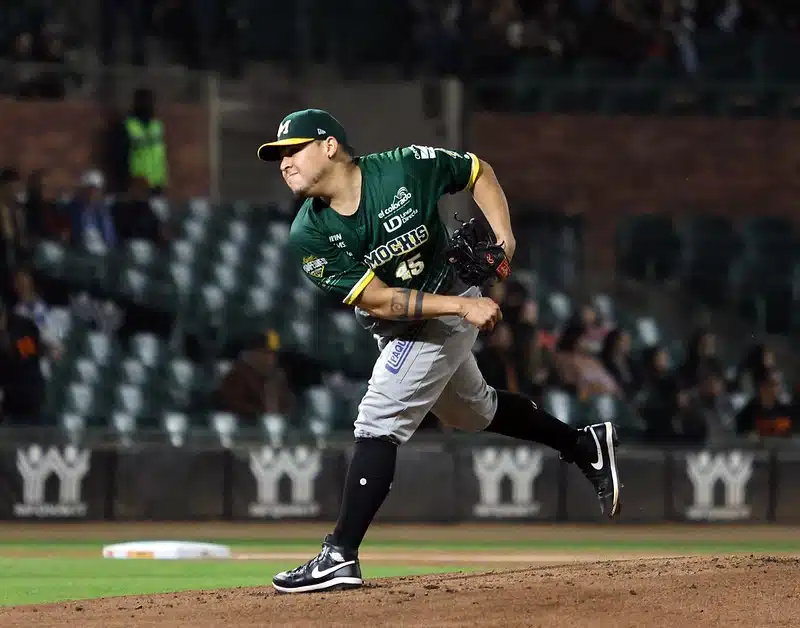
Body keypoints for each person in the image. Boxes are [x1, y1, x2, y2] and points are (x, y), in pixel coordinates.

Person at [256, 108, 622, 594]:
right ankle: (584, 445)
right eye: (278, 156)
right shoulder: (309, 232)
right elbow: (380, 299)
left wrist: (504, 242)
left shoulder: (404, 167)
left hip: (442, 308)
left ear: (329, 146)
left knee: (377, 420)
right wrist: (460, 307)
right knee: (476, 412)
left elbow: (477, 172)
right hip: (414, 317)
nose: (284, 162)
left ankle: (340, 553)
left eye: (293, 149)